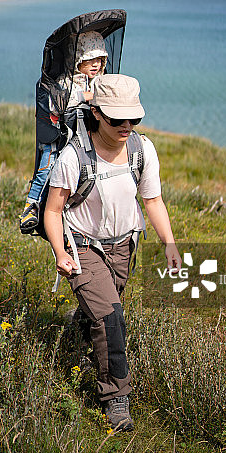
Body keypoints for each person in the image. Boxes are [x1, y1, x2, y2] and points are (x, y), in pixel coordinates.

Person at [44, 73, 182, 432]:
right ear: (97, 113)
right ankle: (116, 400)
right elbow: (53, 211)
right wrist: (60, 252)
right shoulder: (74, 157)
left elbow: (152, 200)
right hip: (83, 248)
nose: (126, 126)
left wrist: (169, 242)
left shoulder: (142, 150)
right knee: (112, 320)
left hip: (124, 247)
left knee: (104, 316)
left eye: (133, 119)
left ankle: (77, 336)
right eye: (117, 119)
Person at [19, 31, 108, 228]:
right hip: (59, 136)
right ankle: (31, 207)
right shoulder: (65, 82)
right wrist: (83, 96)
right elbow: (54, 104)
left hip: (86, 137)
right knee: (46, 167)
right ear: (78, 59)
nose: (96, 65)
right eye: (90, 59)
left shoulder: (100, 82)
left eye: (100, 60)